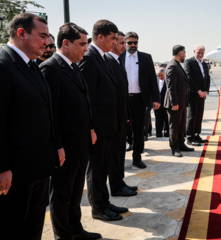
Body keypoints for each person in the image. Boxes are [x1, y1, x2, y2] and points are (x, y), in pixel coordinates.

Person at [0, 13, 57, 239]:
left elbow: (44, 111)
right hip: (13, 174)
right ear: (21, 33)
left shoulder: (32, 65)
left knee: (32, 230)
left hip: (37, 169)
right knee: (11, 232)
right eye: (42, 36)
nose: (46, 42)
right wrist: (0, 168)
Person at [40, 23, 102, 240]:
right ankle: (63, 235)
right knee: (62, 194)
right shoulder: (50, 68)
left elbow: (84, 102)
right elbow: (51, 114)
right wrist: (57, 145)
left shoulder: (75, 65)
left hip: (81, 142)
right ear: (65, 43)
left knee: (76, 192)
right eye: (82, 44)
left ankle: (75, 229)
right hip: (65, 146)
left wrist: (91, 128)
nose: (86, 48)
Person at [79, 19, 128, 221]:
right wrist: (91, 127)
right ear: (100, 37)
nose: (114, 43)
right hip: (98, 128)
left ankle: (105, 202)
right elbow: (87, 96)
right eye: (112, 39)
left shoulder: (104, 58)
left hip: (108, 126)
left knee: (103, 167)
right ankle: (98, 208)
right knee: (96, 170)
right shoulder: (90, 58)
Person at [120, 31, 160, 168]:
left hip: (139, 100)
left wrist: (156, 99)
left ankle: (137, 158)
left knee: (139, 130)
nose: (132, 45)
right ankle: (120, 159)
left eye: (135, 42)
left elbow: (152, 80)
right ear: (125, 42)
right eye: (130, 42)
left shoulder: (146, 58)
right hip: (123, 100)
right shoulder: (119, 57)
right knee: (122, 130)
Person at [106, 31, 138, 197]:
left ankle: (120, 182)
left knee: (120, 153)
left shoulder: (117, 60)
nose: (124, 47)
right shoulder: (108, 60)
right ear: (113, 43)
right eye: (121, 43)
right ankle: (116, 186)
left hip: (121, 116)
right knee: (114, 155)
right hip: (113, 118)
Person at [164, 45, 194, 157]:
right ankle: (174, 147)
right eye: (184, 53)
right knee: (174, 127)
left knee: (181, 126)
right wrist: (174, 103)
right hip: (175, 104)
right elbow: (171, 87)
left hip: (181, 102)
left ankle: (181, 144)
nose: (185, 55)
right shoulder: (172, 66)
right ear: (180, 53)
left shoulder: (177, 65)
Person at [184, 45, 211, 146]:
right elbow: (189, 77)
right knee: (192, 116)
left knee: (199, 115)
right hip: (193, 94)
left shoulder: (204, 64)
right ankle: (190, 137)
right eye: (198, 52)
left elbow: (207, 78)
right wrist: (198, 91)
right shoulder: (189, 62)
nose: (200, 55)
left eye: (202, 53)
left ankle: (196, 134)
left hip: (202, 95)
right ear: (194, 51)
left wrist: (206, 91)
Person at [154, 68, 169, 137]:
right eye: (158, 75)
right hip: (157, 104)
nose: (160, 77)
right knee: (158, 119)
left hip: (166, 104)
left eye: (162, 75)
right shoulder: (155, 81)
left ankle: (167, 132)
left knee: (166, 119)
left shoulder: (168, 81)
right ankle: (158, 133)